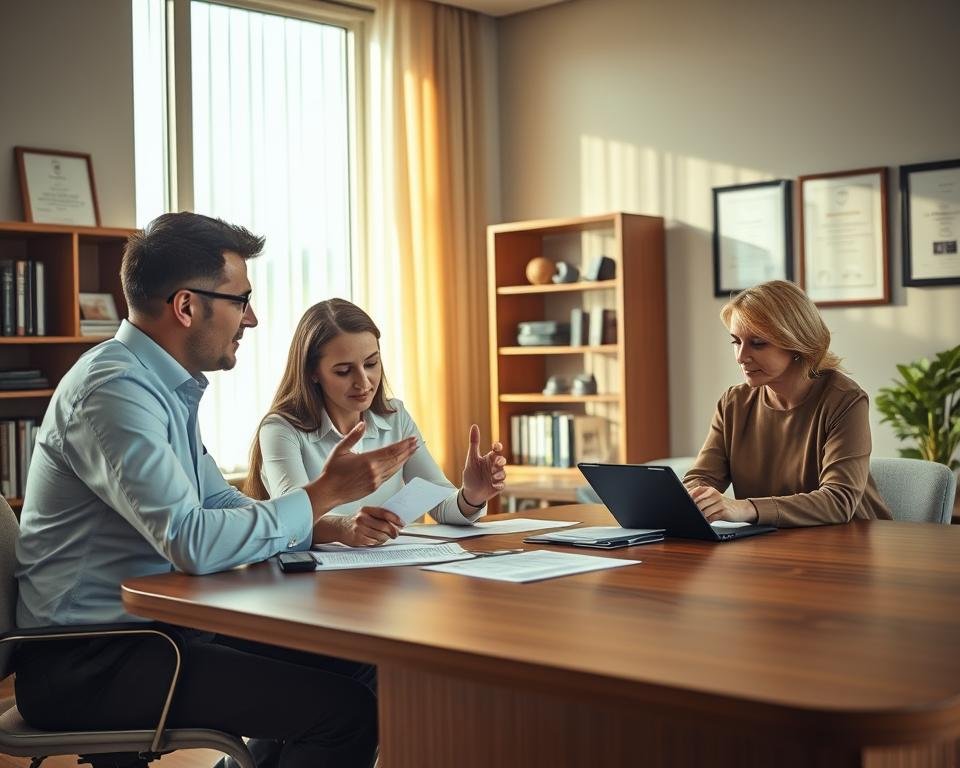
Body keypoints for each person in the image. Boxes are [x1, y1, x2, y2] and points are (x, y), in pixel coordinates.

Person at [14, 212, 419, 768]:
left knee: (362, 664)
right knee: (343, 712)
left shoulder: (157, 384)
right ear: (186, 306)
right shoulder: (114, 390)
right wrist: (321, 494)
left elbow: (220, 502)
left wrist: (321, 524)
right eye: (241, 300)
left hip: (156, 633)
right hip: (90, 660)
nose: (251, 319)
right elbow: (192, 541)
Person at [246, 298, 506, 538]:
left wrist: (472, 495)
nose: (363, 382)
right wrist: (343, 528)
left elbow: (440, 504)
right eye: (344, 371)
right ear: (312, 373)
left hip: (393, 573)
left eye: (371, 364)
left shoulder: (395, 417)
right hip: (315, 580)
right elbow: (288, 519)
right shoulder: (280, 429)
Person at [683, 279, 891, 527]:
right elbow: (702, 477)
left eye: (758, 343)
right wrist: (695, 497)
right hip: (771, 547)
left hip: (852, 544)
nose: (741, 356)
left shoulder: (844, 400)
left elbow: (839, 500)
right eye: (736, 342)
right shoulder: (733, 403)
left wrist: (744, 508)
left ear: (796, 342)